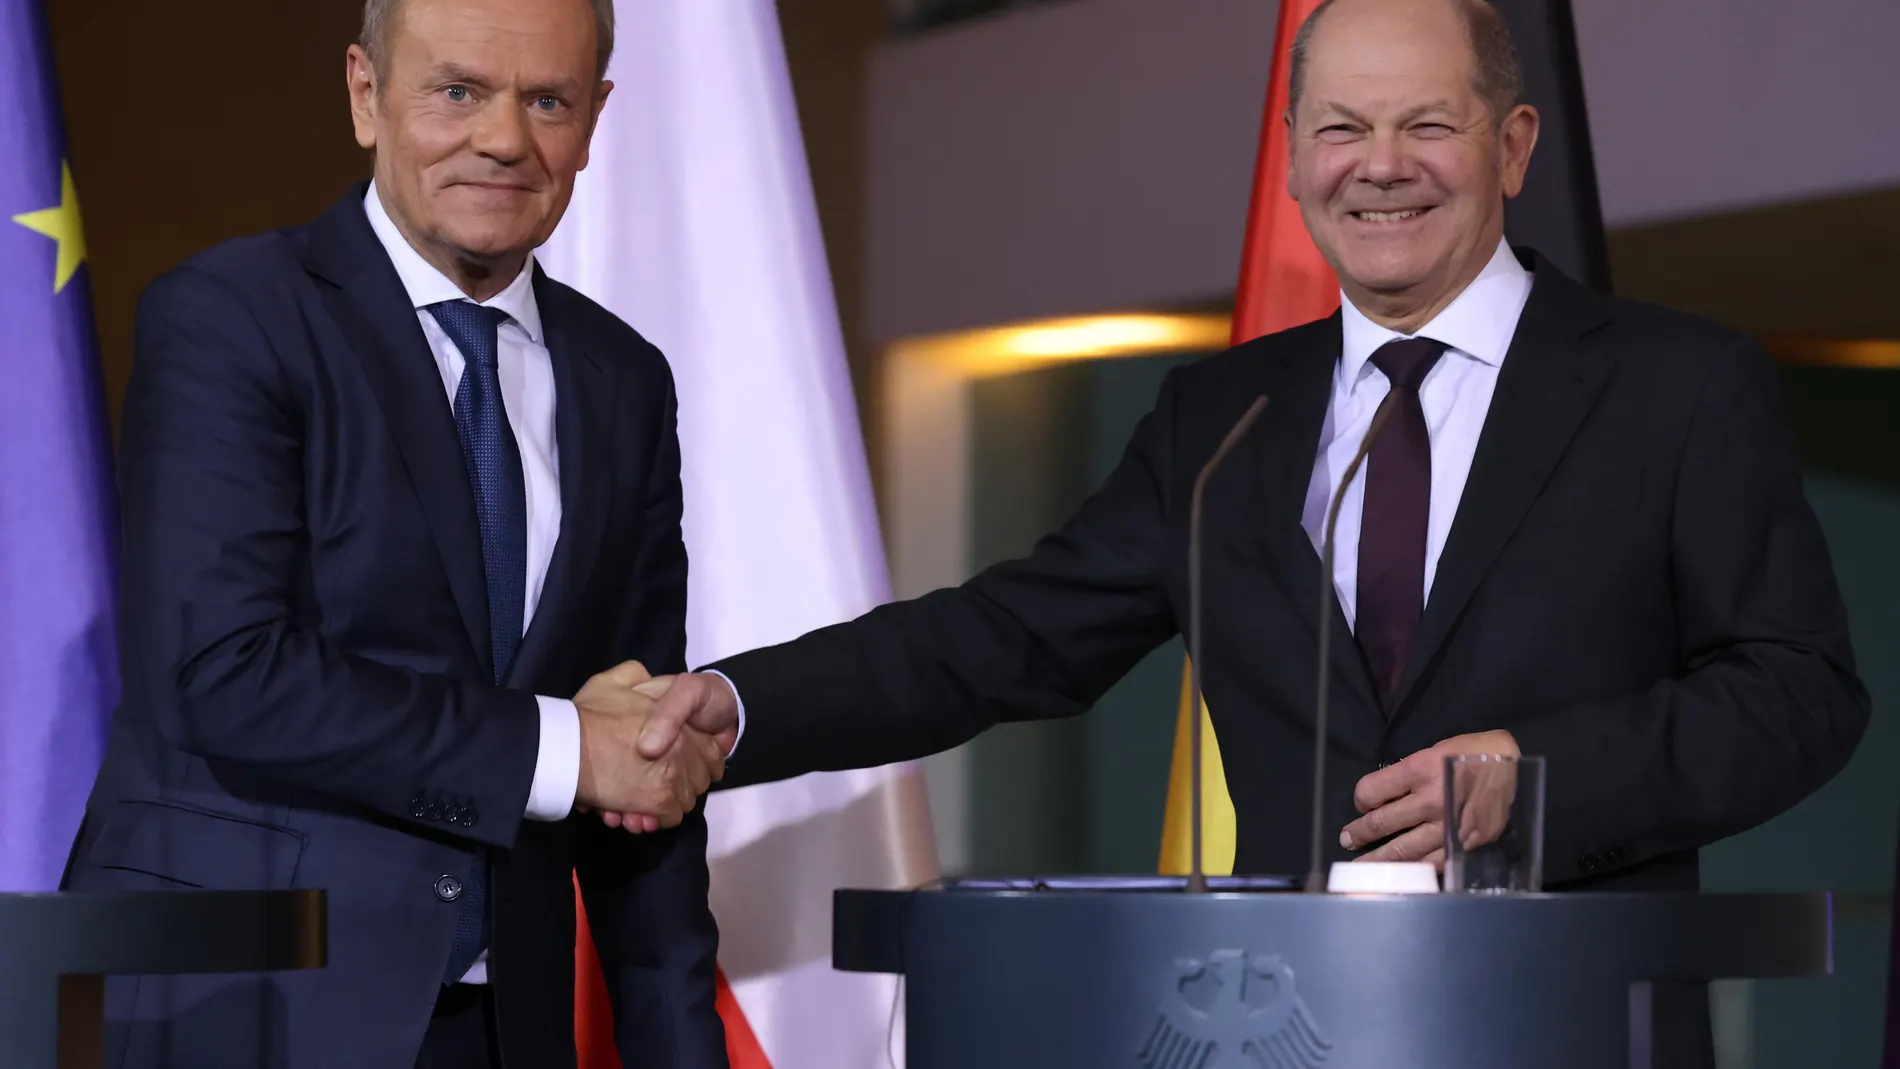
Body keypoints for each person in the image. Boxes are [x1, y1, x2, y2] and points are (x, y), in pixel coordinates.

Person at [627, 0, 1869, 1062]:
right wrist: (738, 703)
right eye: (1341, 128)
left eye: (1426, 124)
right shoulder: (1225, 415)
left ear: (1513, 146)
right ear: (1290, 157)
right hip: (1289, 1033)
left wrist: (1536, 782)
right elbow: (1006, 635)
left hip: (1580, 1033)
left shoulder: (1677, 387)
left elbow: (1800, 693)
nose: (1379, 165)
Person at [59, 0, 733, 1066]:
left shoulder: (626, 380)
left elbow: (643, 763)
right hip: (237, 1012)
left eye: (547, 100)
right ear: (366, 97)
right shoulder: (229, 316)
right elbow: (221, 670)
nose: (505, 138)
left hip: (502, 1030)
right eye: (458, 91)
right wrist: (562, 748)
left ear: (595, 118)